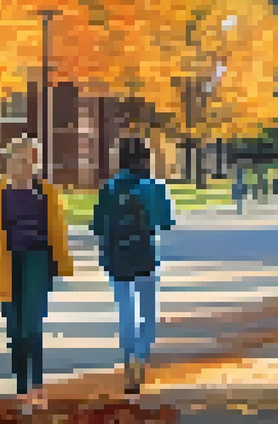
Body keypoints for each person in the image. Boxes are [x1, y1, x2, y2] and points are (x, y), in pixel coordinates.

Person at [0, 137, 74, 405]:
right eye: (22, 160)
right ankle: (21, 387)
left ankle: (37, 385)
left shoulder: (46, 192)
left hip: (37, 261)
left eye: (32, 160)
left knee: (33, 324)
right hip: (7, 263)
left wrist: (59, 261)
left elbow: (58, 229)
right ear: (10, 162)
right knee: (14, 327)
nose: (28, 166)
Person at [93, 137, 175, 394]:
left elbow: (97, 225)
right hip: (145, 256)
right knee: (147, 313)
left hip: (116, 257)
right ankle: (141, 358)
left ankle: (128, 360)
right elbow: (165, 222)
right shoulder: (154, 187)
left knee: (125, 310)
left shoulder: (109, 188)